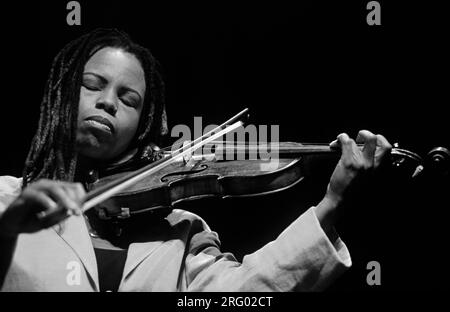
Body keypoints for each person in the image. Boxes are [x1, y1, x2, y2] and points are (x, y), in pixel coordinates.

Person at [0, 28, 391, 292]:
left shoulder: (181, 231)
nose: (107, 102)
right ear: (62, 95)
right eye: (92, 85)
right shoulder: (6, 198)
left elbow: (243, 293)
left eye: (129, 99)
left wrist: (333, 203)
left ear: (143, 124)